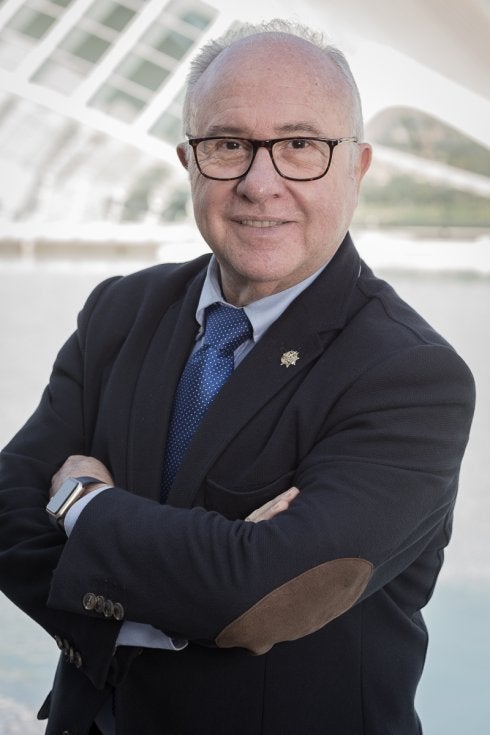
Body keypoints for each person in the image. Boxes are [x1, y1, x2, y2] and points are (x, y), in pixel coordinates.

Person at [0, 19, 475, 735]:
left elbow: (262, 594)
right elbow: (9, 512)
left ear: (358, 167)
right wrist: (203, 582)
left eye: (300, 145)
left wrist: (83, 506)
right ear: (188, 162)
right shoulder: (120, 310)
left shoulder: (412, 376)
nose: (260, 183)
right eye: (228, 145)